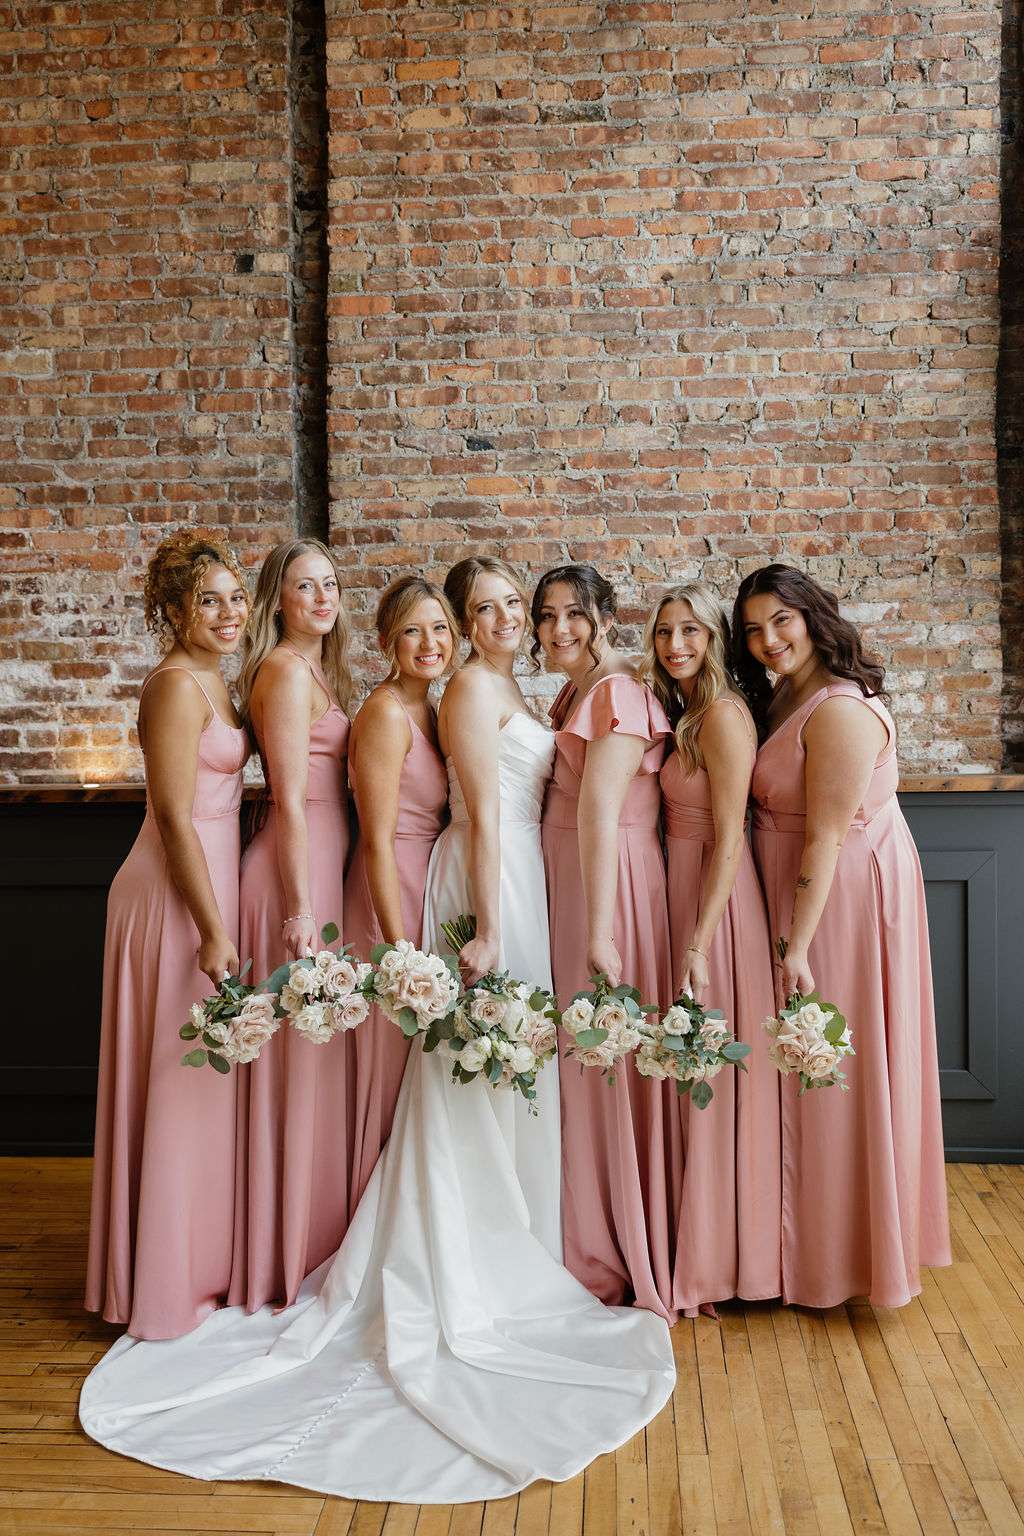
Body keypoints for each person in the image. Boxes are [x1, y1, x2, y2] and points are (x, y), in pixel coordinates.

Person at [79, 552, 677, 1504]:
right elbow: (409, 814)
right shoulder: (377, 696)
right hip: (431, 890)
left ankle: (514, 1230)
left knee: (492, 1069)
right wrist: (384, 933)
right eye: (441, 622)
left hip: (502, 883)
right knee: (453, 1074)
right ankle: (437, 1251)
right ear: (397, 639)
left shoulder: (450, 690)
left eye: (485, 612)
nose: (458, 633)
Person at [737, 563, 951, 1307]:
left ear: (811, 615)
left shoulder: (839, 712)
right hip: (805, 889)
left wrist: (797, 943)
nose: (768, 640)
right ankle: (803, 1249)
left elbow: (825, 837)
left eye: (781, 622)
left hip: (842, 903)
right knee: (806, 1067)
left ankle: (844, 1261)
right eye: (754, 628)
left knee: (831, 1067)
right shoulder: (784, 695)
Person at [85, 529, 250, 1340]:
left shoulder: (219, 682)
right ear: (174, 611)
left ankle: (190, 1267)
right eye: (206, 601)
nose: (225, 613)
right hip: (170, 897)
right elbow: (177, 821)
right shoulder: (174, 688)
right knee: (178, 1082)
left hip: (207, 889)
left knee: (199, 1087)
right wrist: (213, 927)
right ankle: (156, 1290)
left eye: (234, 597)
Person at [536, 563, 679, 1321]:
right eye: (548, 616)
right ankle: (581, 1223)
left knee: (598, 1056)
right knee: (581, 1057)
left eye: (575, 614)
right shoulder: (581, 688)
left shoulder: (618, 693)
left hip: (607, 885)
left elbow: (599, 811)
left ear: (604, 616)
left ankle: (604, 1244)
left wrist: (598, 931)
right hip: (577, 879)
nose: (560, 628)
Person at [643, 582, 781, 1314]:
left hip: (718, 907)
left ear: (715, 638)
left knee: (719, 1082)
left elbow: (732, 836)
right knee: (695, 1076)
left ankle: (731, 1263)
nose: (676, 645)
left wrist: (700, 940)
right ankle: (701, 1246)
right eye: (665, 632)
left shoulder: (725, 716)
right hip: (681, 892)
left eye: (691, 631)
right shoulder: (687, 712)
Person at [230, 539, 354, 1312]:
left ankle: (305, 1235)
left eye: (331, 585)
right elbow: (289, 801)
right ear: (277, 598)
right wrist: (301, 910)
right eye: (305, 586)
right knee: (288, 1067)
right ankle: (277, 1249)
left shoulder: (318, 671)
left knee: (309, 1064)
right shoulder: (281, 671)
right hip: (290, 883)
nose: (321, 597)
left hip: (319, 873)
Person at [427, 555, 561, 1257]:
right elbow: (482, 816)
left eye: (514, 602)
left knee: (521, 1048)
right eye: (487, 607)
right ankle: (485, 1241)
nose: (507, 617)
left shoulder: (508, 682)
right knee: (491, 1044)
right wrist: (486, 928)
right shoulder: (473, 689)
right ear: (462, 621)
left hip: (520, 867)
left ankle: (526, 1228)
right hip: (491, 872)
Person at [343, 576, 452, 1209]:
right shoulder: (384, 712)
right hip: (391, 890)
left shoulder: (429, 706)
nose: (429, 642)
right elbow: (376, 840)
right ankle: (374, 1215)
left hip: (425, 881)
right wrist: (400, 949)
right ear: (387, 641)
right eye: (413, 630)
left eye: (439, 628)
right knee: (391, 1062)